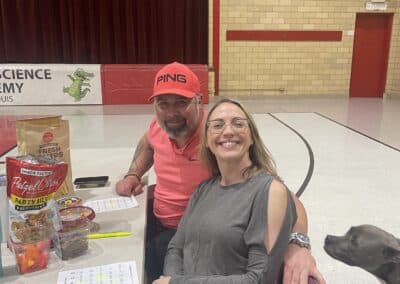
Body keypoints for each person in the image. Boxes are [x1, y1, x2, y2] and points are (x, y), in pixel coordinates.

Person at [115, 62, 325, 284]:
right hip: (170, 234)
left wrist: (297, 244)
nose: (171, 113)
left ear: (198, 101)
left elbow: (282, 197)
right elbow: (148, 143)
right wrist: (132, 174)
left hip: (214, 242)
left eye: (181, 103)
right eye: (162, 103)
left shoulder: (220, 140)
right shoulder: (159, 127)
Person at [154, 98, 297, 283]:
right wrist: (172, 278)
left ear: (252, 137)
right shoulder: (203, 189)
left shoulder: (270, 191)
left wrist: (176, 283)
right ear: (206, 140)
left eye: (238, 124)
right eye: (218, 125)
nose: (228, 131)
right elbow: (176, 247)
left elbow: (259, 278)